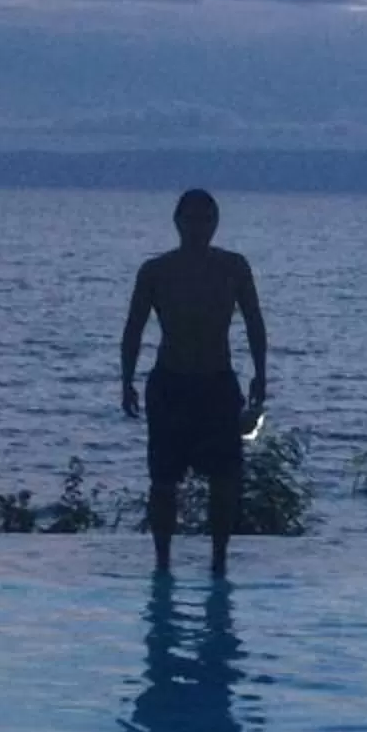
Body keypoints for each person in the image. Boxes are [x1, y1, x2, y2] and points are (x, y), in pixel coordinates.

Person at [121, 189, 269, 577]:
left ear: (215, 223)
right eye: (192, 218)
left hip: (217, 383)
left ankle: (219, 558)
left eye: (206, 219)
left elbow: (254, 321)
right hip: (170, 383)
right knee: (163, 479)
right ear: (178, 222)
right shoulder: (156, 271)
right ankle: (162, 561)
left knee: (224, 477)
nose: (199, 226)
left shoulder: (233, 267)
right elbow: (134, 328)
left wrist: (261, 374)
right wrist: (126, 381)